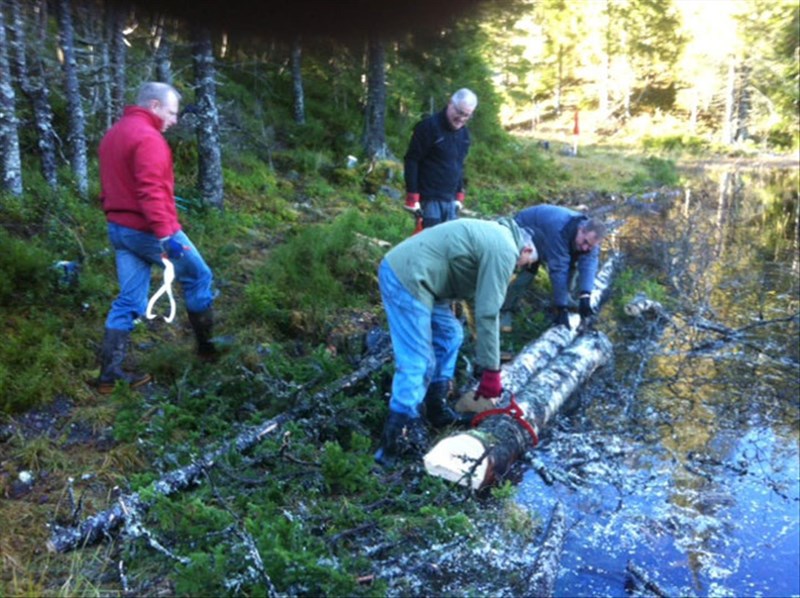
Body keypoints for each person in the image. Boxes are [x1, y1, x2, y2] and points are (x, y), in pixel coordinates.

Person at [374, 217, 538, 467]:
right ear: (525, 250)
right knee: (418, 361)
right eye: (524, 264)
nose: (519, 269)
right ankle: (393, 443)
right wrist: (492, 372)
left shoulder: (498, 238)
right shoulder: (505, 248)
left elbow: (480, 299)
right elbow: (488, 312)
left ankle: (435, 407)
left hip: (428, 282)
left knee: (451, 334)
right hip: (408, 276)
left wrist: (484, 359)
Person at [94, 81, 217, 394]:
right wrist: (167, 237)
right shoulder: (149, 138)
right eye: (172, 113)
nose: (174, 121)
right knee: (199, 276)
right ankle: (208, 350)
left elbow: (112, 183)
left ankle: (110, 375)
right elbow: (151, 193)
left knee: (130, 298)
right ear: (154, 106)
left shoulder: (114, 134)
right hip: (149, 231)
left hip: (119, 230)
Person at [499, 204, 606, 332]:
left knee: (576, 259)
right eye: (585, 243)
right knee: (530, 269)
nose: (586, 248)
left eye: (591, 246)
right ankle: (504, 310)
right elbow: (558, 270)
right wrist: (561, 309)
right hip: (527, 228)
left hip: (549, 234)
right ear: (581, 229)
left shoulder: (591, 239)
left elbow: (589, 264)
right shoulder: (560, 229)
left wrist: (585, 295)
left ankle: (565, 299)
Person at [403, 88, 477, 230]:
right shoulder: (428, 127)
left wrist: (459, 193)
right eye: (459, 112)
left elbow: (459, 165)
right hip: (429, 199)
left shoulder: (464, 134)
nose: (461, 118)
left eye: (467, 115)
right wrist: (412, 196)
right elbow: (412, 160)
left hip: (450, 200)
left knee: (449, 244)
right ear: (450, 103)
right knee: (430, 245)